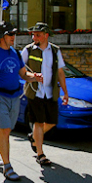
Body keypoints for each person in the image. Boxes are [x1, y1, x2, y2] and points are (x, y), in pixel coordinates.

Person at [0, 21, 42, 182]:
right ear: (3, 36)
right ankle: (7, 166)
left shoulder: (16, 54)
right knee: (5, 130)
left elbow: (24, 75)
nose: (14, 37)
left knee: (6, 129)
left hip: (15, 96)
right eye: (11, 34)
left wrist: (35, 77)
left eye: (14, 34)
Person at [21, 22, 69, 166]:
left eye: (38, 34)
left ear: (46, 35)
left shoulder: (55, 50)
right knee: (39, 122)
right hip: (35, 91)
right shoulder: (28, 50)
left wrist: (65, 92)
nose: (34, 37)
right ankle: (40, 154)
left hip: (51, 92)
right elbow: (21, 70)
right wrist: (33, 76)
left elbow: (60, 72)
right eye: (33, 34)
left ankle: (34, 136)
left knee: (52, 122)